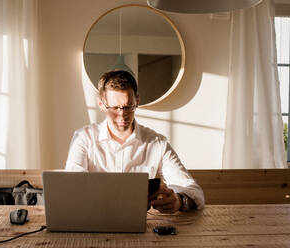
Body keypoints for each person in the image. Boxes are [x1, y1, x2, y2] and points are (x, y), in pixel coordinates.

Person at [65, 70, 204, 213]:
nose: (122, 115)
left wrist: (179, 201)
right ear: (101, 104)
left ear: (137, 101)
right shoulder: (83, 138)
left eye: (128, 107)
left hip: (141, 225)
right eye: (114, 108)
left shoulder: (157, 143)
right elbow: (70, 190)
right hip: (92, 221)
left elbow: (195, 193)